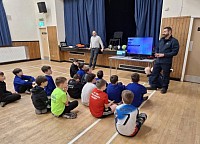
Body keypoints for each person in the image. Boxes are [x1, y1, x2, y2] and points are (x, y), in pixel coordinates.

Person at [148, 27, 179, 94]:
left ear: (170, 32)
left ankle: (164, 88)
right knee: (154, 73)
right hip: (158, 61)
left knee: (165, 75)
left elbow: (175, 52)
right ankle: (153, 86)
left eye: (165, 31)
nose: (163, 33)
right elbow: (157, 48)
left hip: (166, 62)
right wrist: (156, 53)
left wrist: (164, 55)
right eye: (163, 31)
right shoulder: (161, 40)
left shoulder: (174, 41)